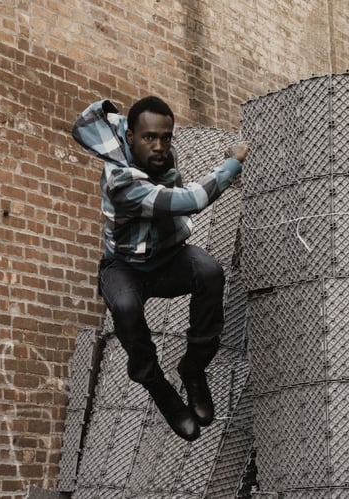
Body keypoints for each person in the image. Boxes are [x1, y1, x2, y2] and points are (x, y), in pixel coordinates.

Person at [72, 97, 249, 441]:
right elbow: (191, 201)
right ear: (130, 137)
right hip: (124, 268)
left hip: (168, 259)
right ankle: (158, 387)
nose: (159, 146)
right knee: (124, 308)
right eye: (149, 138)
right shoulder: (121, 181)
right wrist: (231, 163)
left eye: (165, 138)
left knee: (210, 272)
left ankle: (193, 369)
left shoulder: (162, 155)